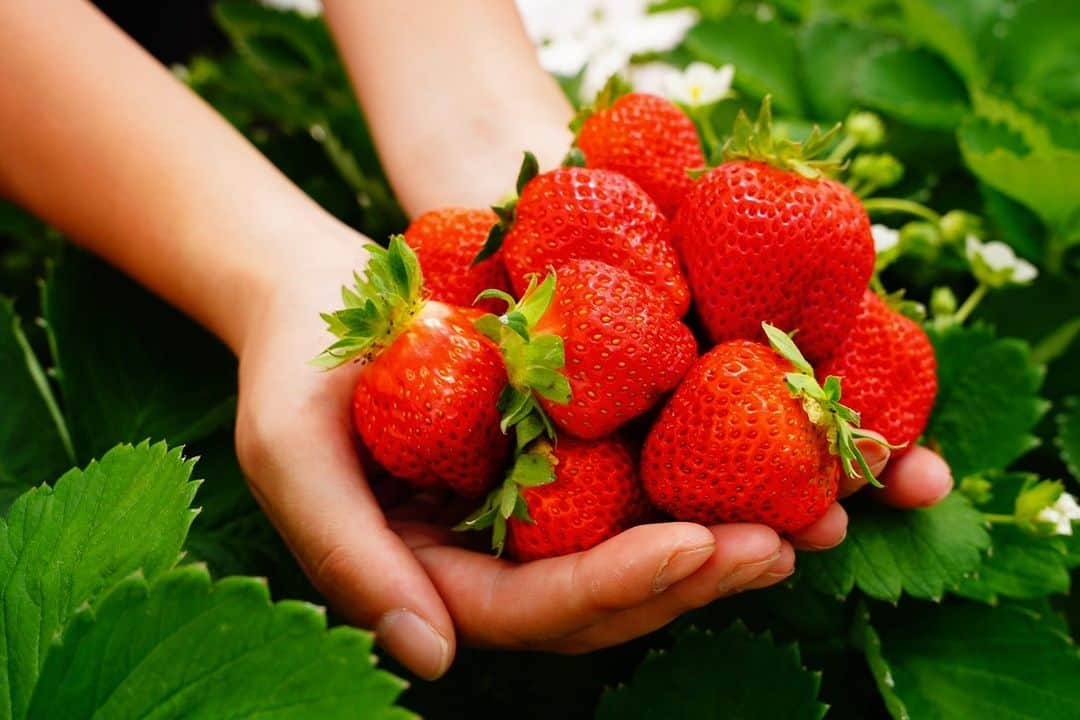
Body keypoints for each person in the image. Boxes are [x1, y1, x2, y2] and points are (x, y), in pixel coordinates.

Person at [0, 1, 953, 681]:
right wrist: (270, 269)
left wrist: (482, 124)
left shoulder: (653, 289)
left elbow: (640, 309)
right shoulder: (617, 312)